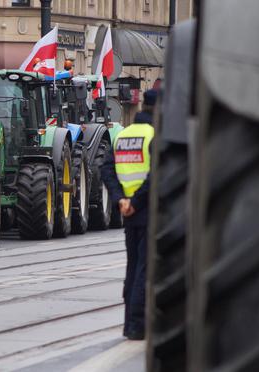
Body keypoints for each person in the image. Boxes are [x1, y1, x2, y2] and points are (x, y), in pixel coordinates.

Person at [100, 89, 157, 340]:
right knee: (145, 269)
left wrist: (120, 199)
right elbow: (156, 175)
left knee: (133, 268)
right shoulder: (155, 135)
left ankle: (128, 323)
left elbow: (107, 169)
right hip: (146, 210)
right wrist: (136, 201)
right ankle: (136, 325)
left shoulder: (123, 135)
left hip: (128, 212)